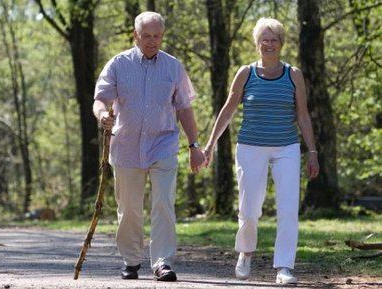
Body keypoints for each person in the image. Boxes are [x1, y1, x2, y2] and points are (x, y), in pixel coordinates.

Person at [203, 17, 319, 284]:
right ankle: (245, 251)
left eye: (274, 39)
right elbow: (229, 110)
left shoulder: (294, 74)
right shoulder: (246, 73)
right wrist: (210, 144)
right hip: (250, 147)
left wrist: (312, 152)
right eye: (264, 39)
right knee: (249, 208)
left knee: (288, 207)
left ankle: (284, 267)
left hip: (287, 147)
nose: (269, 44)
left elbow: (302, 115)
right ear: (257, 44)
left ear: (281, 44)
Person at [93, 11, 205, 282]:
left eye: (157, 36)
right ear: (136, 36)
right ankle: (131, 261)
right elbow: (100, 99)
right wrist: (102, 116)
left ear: (162, 35)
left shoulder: (173, 67)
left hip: (163, 144)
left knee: (164, 204)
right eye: (146, 36)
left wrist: (194, 145)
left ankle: (162, 263)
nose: (152, 41)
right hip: (126, 147)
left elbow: (185, 109)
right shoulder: (118, 64)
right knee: (129, 208)